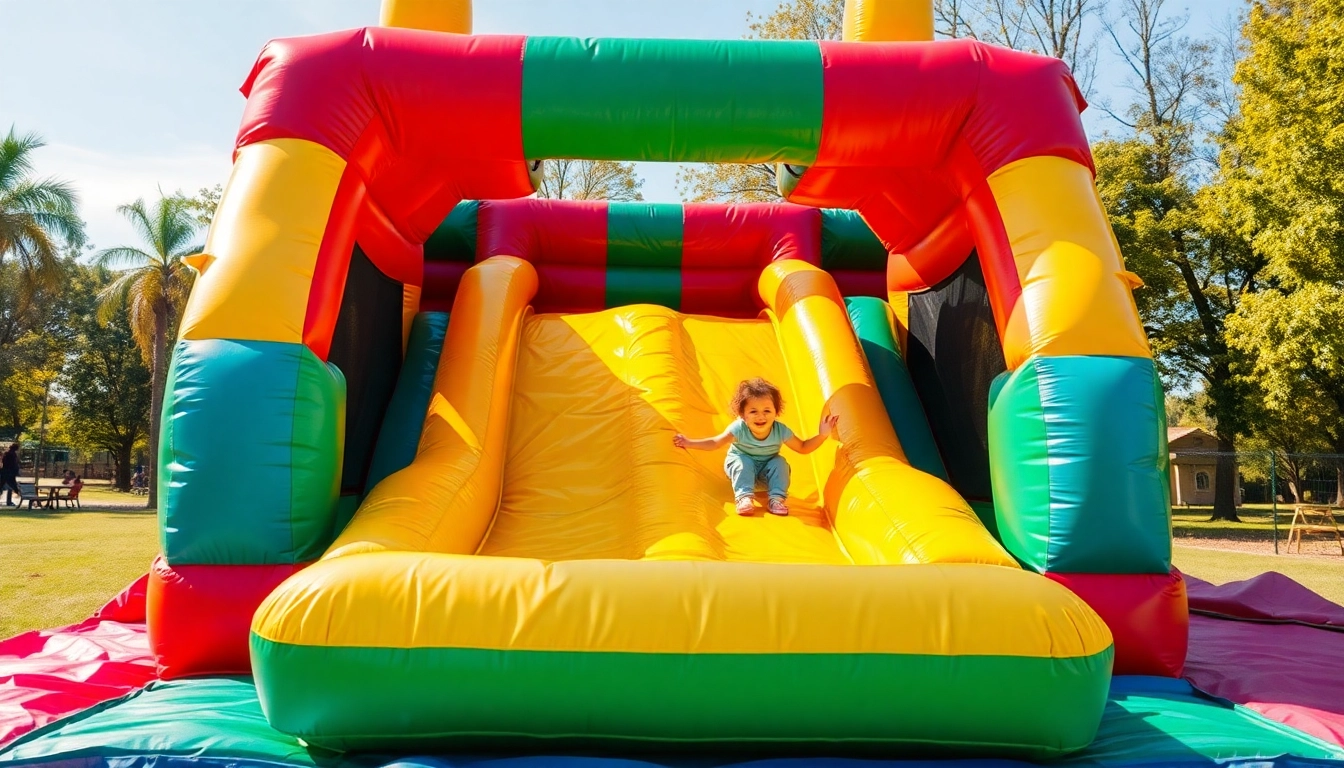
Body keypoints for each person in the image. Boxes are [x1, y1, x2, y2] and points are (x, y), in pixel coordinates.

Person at [673, 377, 839, 517]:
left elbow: (803, 447)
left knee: (780, 462)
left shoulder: (780, 430)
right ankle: (744, 498)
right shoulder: (739, 428)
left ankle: (775, 500)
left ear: (776, 412)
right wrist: (689, 442)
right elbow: (716, 442)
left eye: (767, 410)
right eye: (753, 411)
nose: (761, 416)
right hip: (741, 469)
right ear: (742, 415)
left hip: (764, 474)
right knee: (743, 461)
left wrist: (822, 435)